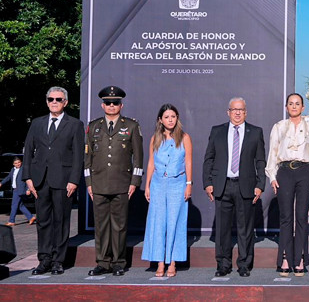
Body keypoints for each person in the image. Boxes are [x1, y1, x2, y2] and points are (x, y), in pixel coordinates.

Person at [22, 86, 84, 275]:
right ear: (47, 101)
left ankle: (58, 260)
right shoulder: (37, 123)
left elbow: (78, 155)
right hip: (40, 180)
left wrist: (74, 180)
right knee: (43, 221)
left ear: (65, 102)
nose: (54, 102)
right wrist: (27, 177)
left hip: (64, 181)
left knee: (61, 220)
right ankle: (44, 259)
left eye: (58, 99)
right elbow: (28, 151)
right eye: (51, 99)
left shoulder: (74, 124)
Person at [203, 97, 266, 277]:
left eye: (241, 109)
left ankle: (244, 264)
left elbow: (260, 161)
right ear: (228, 112)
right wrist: (208, 183)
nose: (237, 113)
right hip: (222, 185)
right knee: (222, 228)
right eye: (234, 109)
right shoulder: (217, 131)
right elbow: (209, 159)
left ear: (245, 112)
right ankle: (223, 264)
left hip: (245, 186)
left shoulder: (255, 132)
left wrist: (260, 184)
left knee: (245, 229)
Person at [84, 86, 144, 276]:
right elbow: (88, 158)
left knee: (119, 225)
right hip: (99, 183)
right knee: (101, 225)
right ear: (102, 105)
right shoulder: (93, 126)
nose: (112, 106)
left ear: (121, 105)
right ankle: (103, 262)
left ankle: (119, 262)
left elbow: (138, 157)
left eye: (115, 103)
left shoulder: (131, 126)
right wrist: (89, 183)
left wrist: (135, 181)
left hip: (122, 184)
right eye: (108, 103)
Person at [266, 94, 309, 277]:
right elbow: (273, 152)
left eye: (297, 104)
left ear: (302, 107)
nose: (294, 106)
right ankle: (285, 258)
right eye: (290, 104)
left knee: (301, 217)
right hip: (284, 172)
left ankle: (299, 259)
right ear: (286, 107)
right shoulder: (279, 127)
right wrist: (272, 176)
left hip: (305, 172)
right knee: (285, 218)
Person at [142, 104, 193, 277]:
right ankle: (159, 262)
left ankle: (172, 262)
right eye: (166, 117)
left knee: (175, 223)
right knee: (158, 223)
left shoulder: (184, 137)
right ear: (160, 120)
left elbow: (188, 162)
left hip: (177, 184)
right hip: (157, 184)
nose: (170, 120)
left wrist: (189, 184)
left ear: (177, 117)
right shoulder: (154, 138)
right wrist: (147, 185)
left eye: (173, 116)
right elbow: (150, 163)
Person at [1, 157, 35, 226]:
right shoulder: (12, 170)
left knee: (14, 205)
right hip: (15, 189)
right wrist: (1, 183)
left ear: (21, 162)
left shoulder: (23, 169)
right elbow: (8, 177)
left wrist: (28, 189)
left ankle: (11, 221)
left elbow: (28, 179)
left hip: (20, 190)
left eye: (19, 162)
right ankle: (31, 217)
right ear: (13, 164)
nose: (18, 164)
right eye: (16, 163)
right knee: (20, 205)